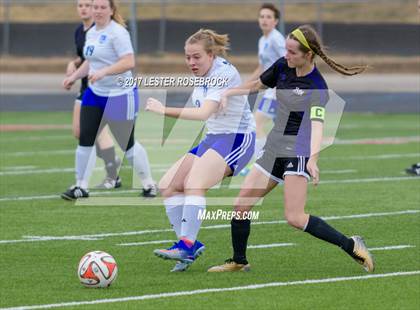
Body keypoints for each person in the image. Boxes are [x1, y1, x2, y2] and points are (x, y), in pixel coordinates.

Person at [208, 25, 375, 273]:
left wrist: (313, 158)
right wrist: (228, 92)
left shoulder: (317, 86)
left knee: (295, 218)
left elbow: (318, 125)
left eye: (292, 52)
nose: (286, 55)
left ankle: (351, 245)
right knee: (241, 206)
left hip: (298, 150)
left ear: (307, 55)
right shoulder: (283, 66)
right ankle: (239, 261)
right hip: (275, 145)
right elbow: (257, 85)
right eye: (286, 50)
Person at [145, 29, 256, 272]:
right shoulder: (203, 73)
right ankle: (187, 248)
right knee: (168, 184)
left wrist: (163, 110)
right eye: (187, 57)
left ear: (211, 54)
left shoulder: (222, 73)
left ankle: (186, 245)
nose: (191, 63)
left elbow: (203, 113)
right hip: (214, 138)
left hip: (238, 139)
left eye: (197, 57)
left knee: (194, 182)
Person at [61, 0, 157, 200]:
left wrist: (105, 72)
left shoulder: (118, 32)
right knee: (85, 139)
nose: (97, 11)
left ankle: (149, 184)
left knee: (126, 144)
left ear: (111, 10)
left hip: (120, 95)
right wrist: (74, 76)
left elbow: (128, 62)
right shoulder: (92, 32)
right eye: (95, 7)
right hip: (95, 93)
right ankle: (81, 186)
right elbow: (90, 61)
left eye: (102, 7)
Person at [67, 0, 122, 189]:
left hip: (101, 89)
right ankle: (112, 161)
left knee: (98, 132)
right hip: (85, 86)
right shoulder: (80, 31)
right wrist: (73, 65)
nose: (83, 8)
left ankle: (112, 175)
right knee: (79, 132)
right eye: (80, 5)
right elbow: (84, 58)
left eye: (87, 5)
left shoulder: (105, 30)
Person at [240, 3, 286, 176]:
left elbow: (288, 62)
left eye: (269, 17)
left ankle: (262, 164)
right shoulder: (263, 40)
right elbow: (261, 68)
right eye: (262, 16)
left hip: (277, 92)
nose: (264, 20)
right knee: (279, 131)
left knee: (256, 124)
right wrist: (244, 85)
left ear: (275, 21)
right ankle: (276, 164)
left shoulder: (276, 39)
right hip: (270, 90)